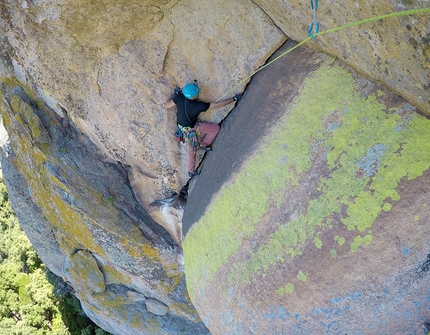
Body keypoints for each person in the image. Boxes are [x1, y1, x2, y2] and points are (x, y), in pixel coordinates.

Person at [165, 82, 242, 177]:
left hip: (182, 130)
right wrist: (233, 99)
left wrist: (175, 94)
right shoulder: (198, 106)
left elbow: (167, 105)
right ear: (195, 95)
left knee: (191, 149)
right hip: (191, 131)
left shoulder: (179, 97)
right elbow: (218, 105)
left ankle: (198, 153)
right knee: (213, 130)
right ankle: (192, 168)